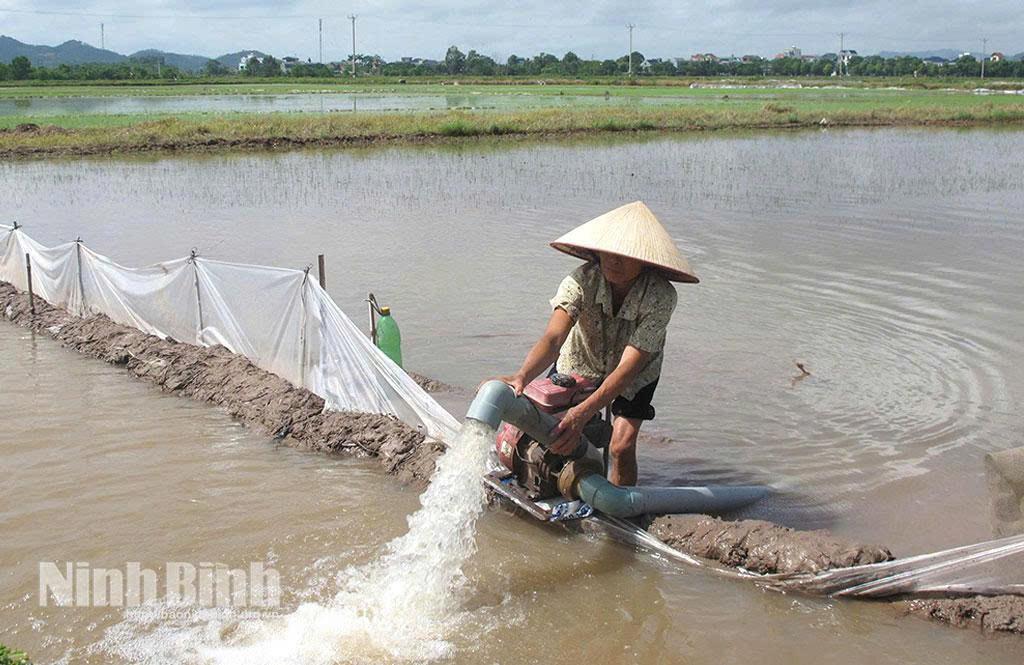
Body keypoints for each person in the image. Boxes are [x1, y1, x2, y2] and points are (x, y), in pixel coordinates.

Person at [497, 201, 699, 487]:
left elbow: (630, 366)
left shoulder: (660, 296)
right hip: (580, 362)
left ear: (644, 260)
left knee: (621, 446)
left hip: (636, 375)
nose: (614, 261)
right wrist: (522, 376)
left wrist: (584, 411)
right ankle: (552, 483)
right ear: (597, 252)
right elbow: (554, 338)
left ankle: (620, 509)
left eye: (625, 255)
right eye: (609, 253)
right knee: (555, 435)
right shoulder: (580, 281)